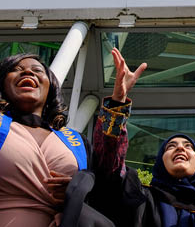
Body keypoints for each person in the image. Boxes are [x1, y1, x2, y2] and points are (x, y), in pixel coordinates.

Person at [92, 48, 195, 227]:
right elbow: (109, 165)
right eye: (171, 146)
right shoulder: (139, 199)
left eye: (188, 146)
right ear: (160, 163)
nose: (180, 148)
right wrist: (118, 101)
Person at [0, 52, 113, 226]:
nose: (28, 72)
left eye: (37, 70)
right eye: (16, 69)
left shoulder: (76, 142)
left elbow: (110, 179)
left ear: (50, 86)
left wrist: (76, 194)